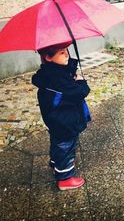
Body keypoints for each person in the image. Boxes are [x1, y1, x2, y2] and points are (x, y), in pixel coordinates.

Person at [32, 43, 91, 190]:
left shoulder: (49, 74)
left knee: (58, 142)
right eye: (61, 53)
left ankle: (56, 164)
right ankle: (65, 177)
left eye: (66, 51)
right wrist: (82, 82)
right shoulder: (58, 80)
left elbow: (65, 80)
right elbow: (80, 92)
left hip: (56, 119)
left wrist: (71, 71)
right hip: (65, 120)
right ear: (48, 57)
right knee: (67, 145)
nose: (66, 55)